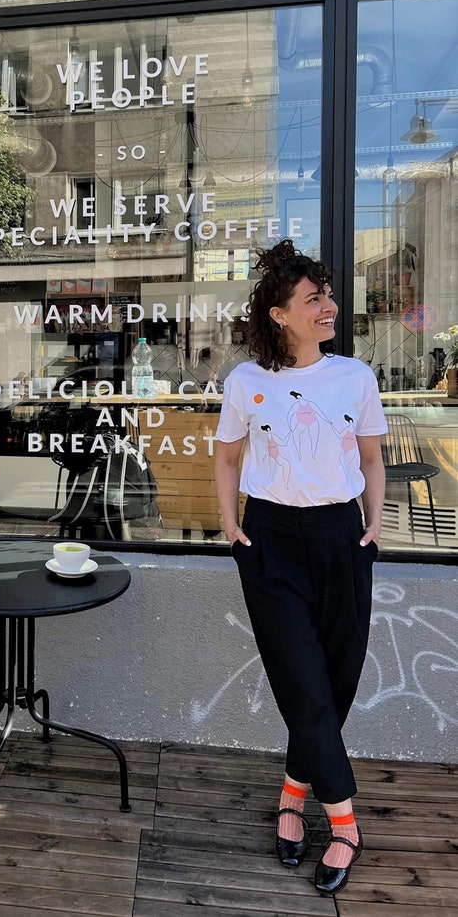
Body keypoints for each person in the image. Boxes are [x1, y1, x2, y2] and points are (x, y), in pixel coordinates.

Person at [214, 239, 386, 898]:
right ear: (280, 313)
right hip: (272, 539)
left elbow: (371, 457)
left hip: (343, 534)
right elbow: (227, 459)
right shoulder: (246, 383)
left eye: (327, 295)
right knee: (302, 676)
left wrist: (375, 520)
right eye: (314, 299)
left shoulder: (355, 377)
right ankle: (344, 822)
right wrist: (231, 523)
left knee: (333, 678)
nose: (329, 307)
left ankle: (293, 790)